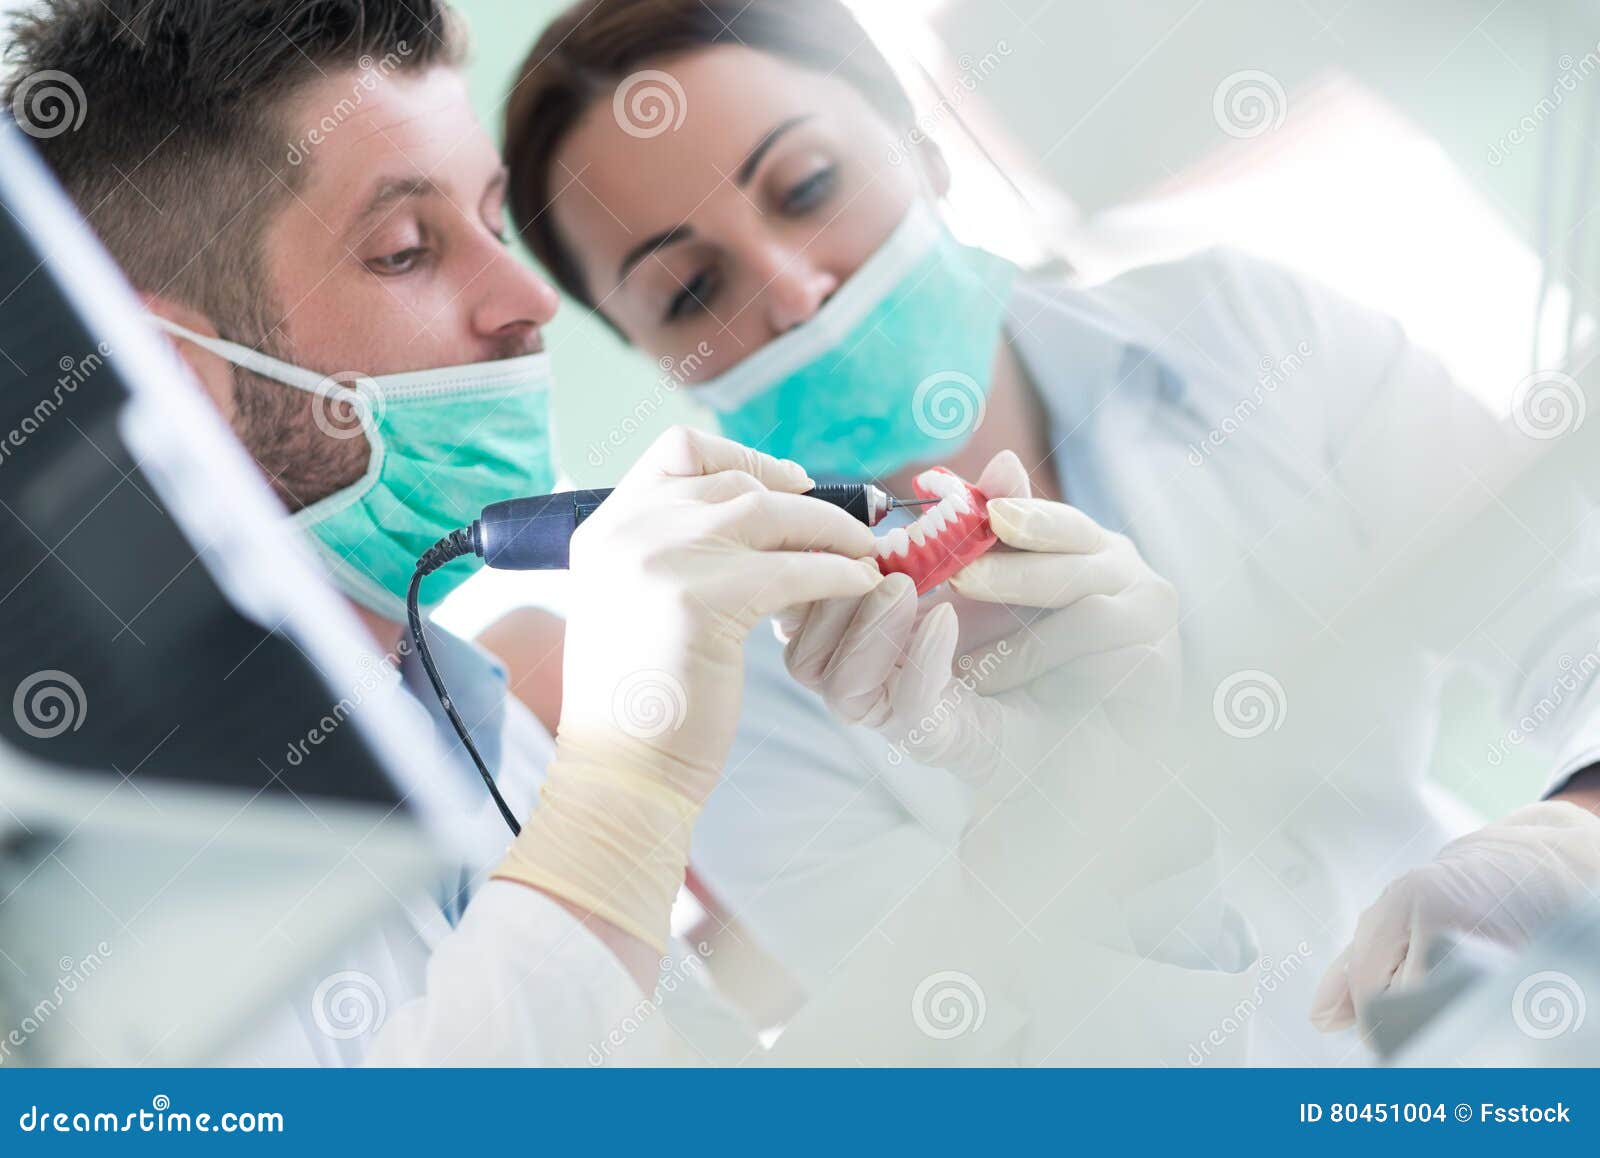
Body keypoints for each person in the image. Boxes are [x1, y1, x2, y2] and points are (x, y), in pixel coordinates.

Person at [500, 0, 1600, 1059]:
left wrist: (1576, 829)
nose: (792, 291)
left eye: (807, 186)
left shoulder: (1245, 330)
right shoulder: (736, 705)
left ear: (923, 150)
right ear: (656, 360)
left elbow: (1570, 608)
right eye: (694, 290)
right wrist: (1104, 856)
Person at [1, 0, 889, 1065]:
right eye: (409, 250)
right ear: (188, 385)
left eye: (493, 222)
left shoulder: (478, 727)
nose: (526, 299)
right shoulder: (132, 863)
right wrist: (620, 799)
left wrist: (1044, 804)